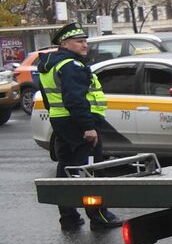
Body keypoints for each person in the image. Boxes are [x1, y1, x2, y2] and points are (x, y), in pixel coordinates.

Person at [37, 24, 122, 232]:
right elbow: (76, 99)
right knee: (91, 170)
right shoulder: (71, 65)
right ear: (65, 44)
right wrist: (88, 127)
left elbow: (50, 99)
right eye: (79, 42)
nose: (85, 45)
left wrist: (60, 120)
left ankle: (68, 217)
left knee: (66, 168)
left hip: (61, 121)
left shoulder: (49, 65)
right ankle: (99, 216)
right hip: (79, 123)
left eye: (85, 41)